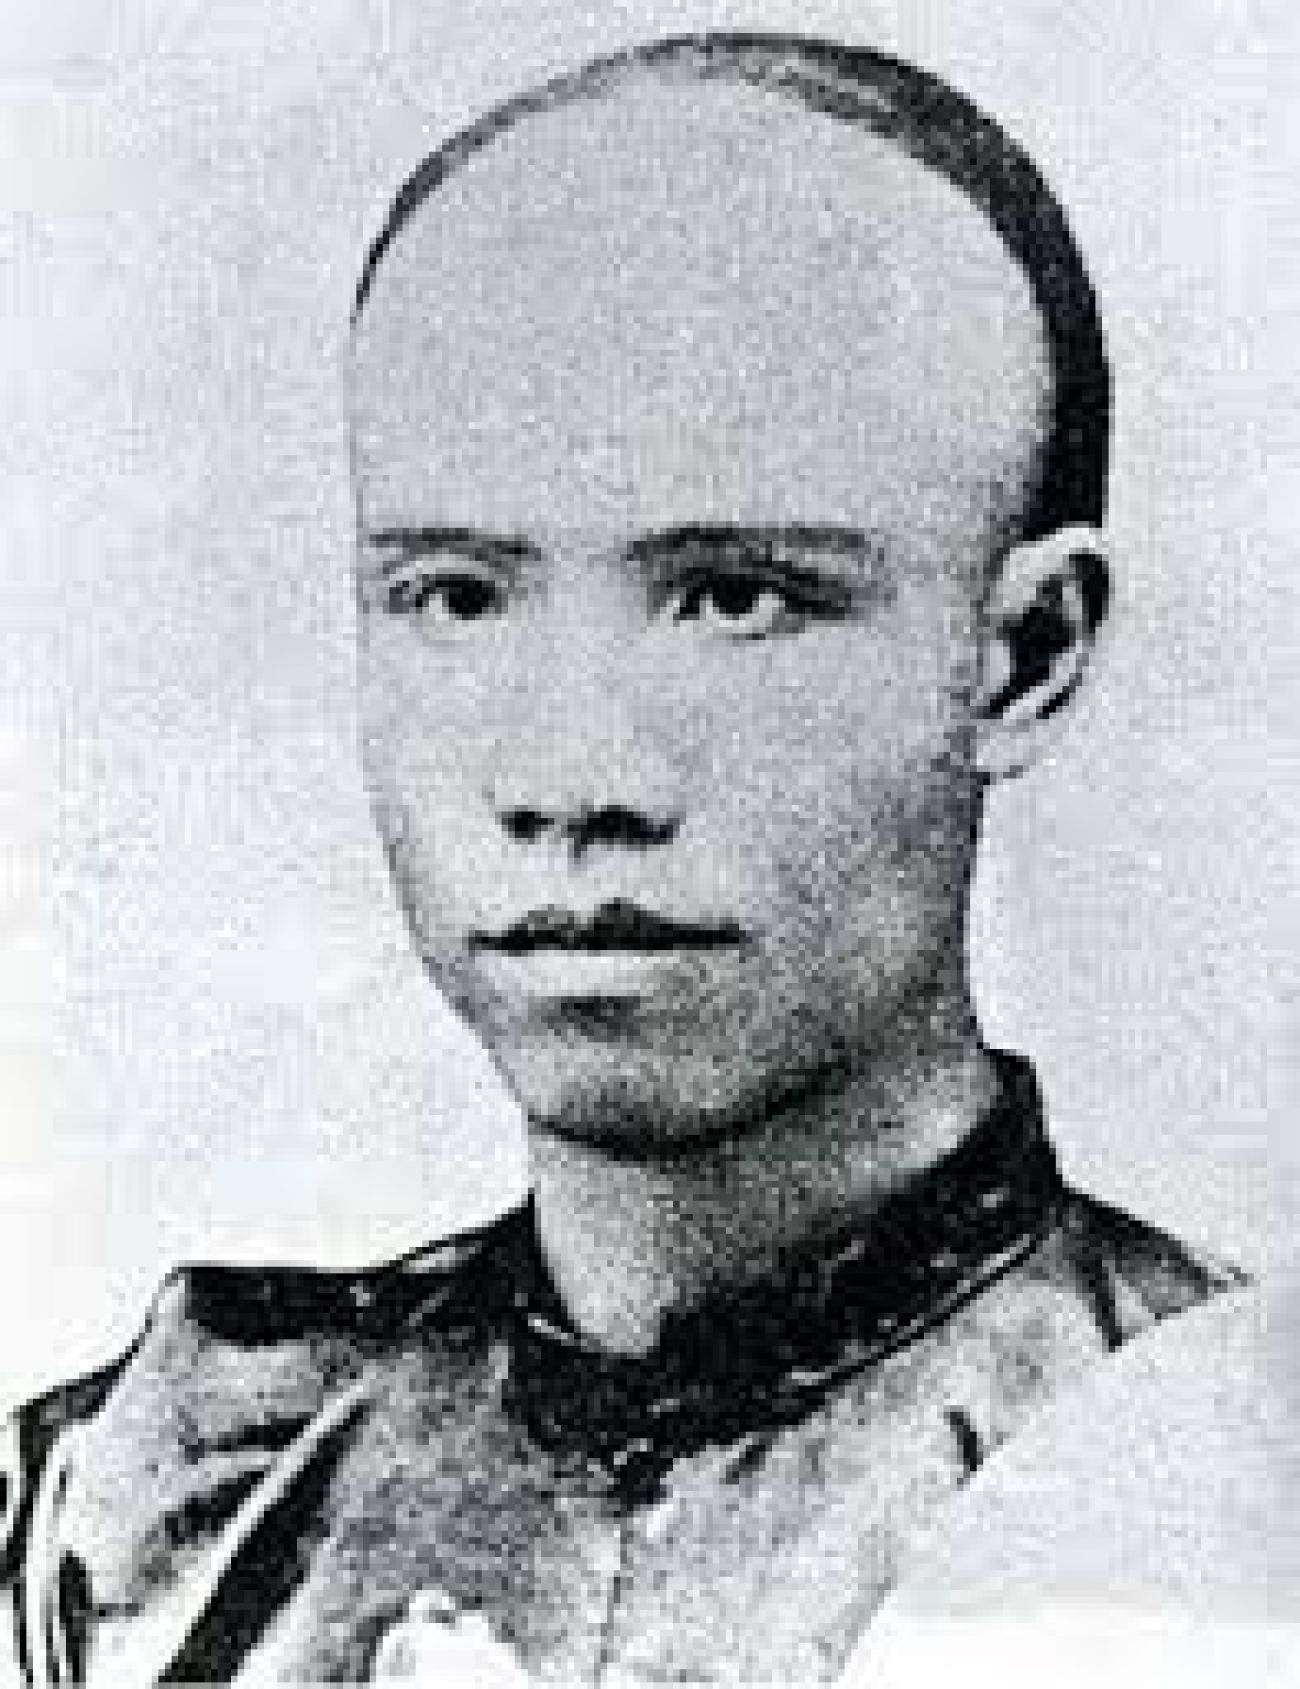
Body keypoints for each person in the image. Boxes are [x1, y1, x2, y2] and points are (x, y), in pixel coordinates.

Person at [0, 33, 1245, 1686]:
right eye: (457, 594)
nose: (572, 780)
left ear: (1022, 655)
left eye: (736, 595)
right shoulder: (133, 1515)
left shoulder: (1233, 1479)